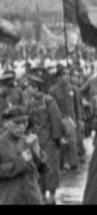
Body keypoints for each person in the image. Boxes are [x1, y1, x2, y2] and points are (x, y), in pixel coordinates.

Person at [23, 74, 63, 204]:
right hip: (35, 142)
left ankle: (52, 195)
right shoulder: (29, 103)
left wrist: (56, 138)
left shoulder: (49, 100)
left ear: (37, 87)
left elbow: (56, 120)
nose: (28, 90)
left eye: (30, 87)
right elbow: (26, 122)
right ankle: (41, 194)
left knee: (51, 169)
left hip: (49, 141)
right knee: (37, 169)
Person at [0, 106, 46, 205]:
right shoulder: (1, 143)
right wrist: (21, 161)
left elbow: (42, 169)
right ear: (5, 123)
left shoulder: (27, 140)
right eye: (16, 122)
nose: (21, 127)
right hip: (11, 198)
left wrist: (36, 149)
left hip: (32, 196)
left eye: (24, 122)